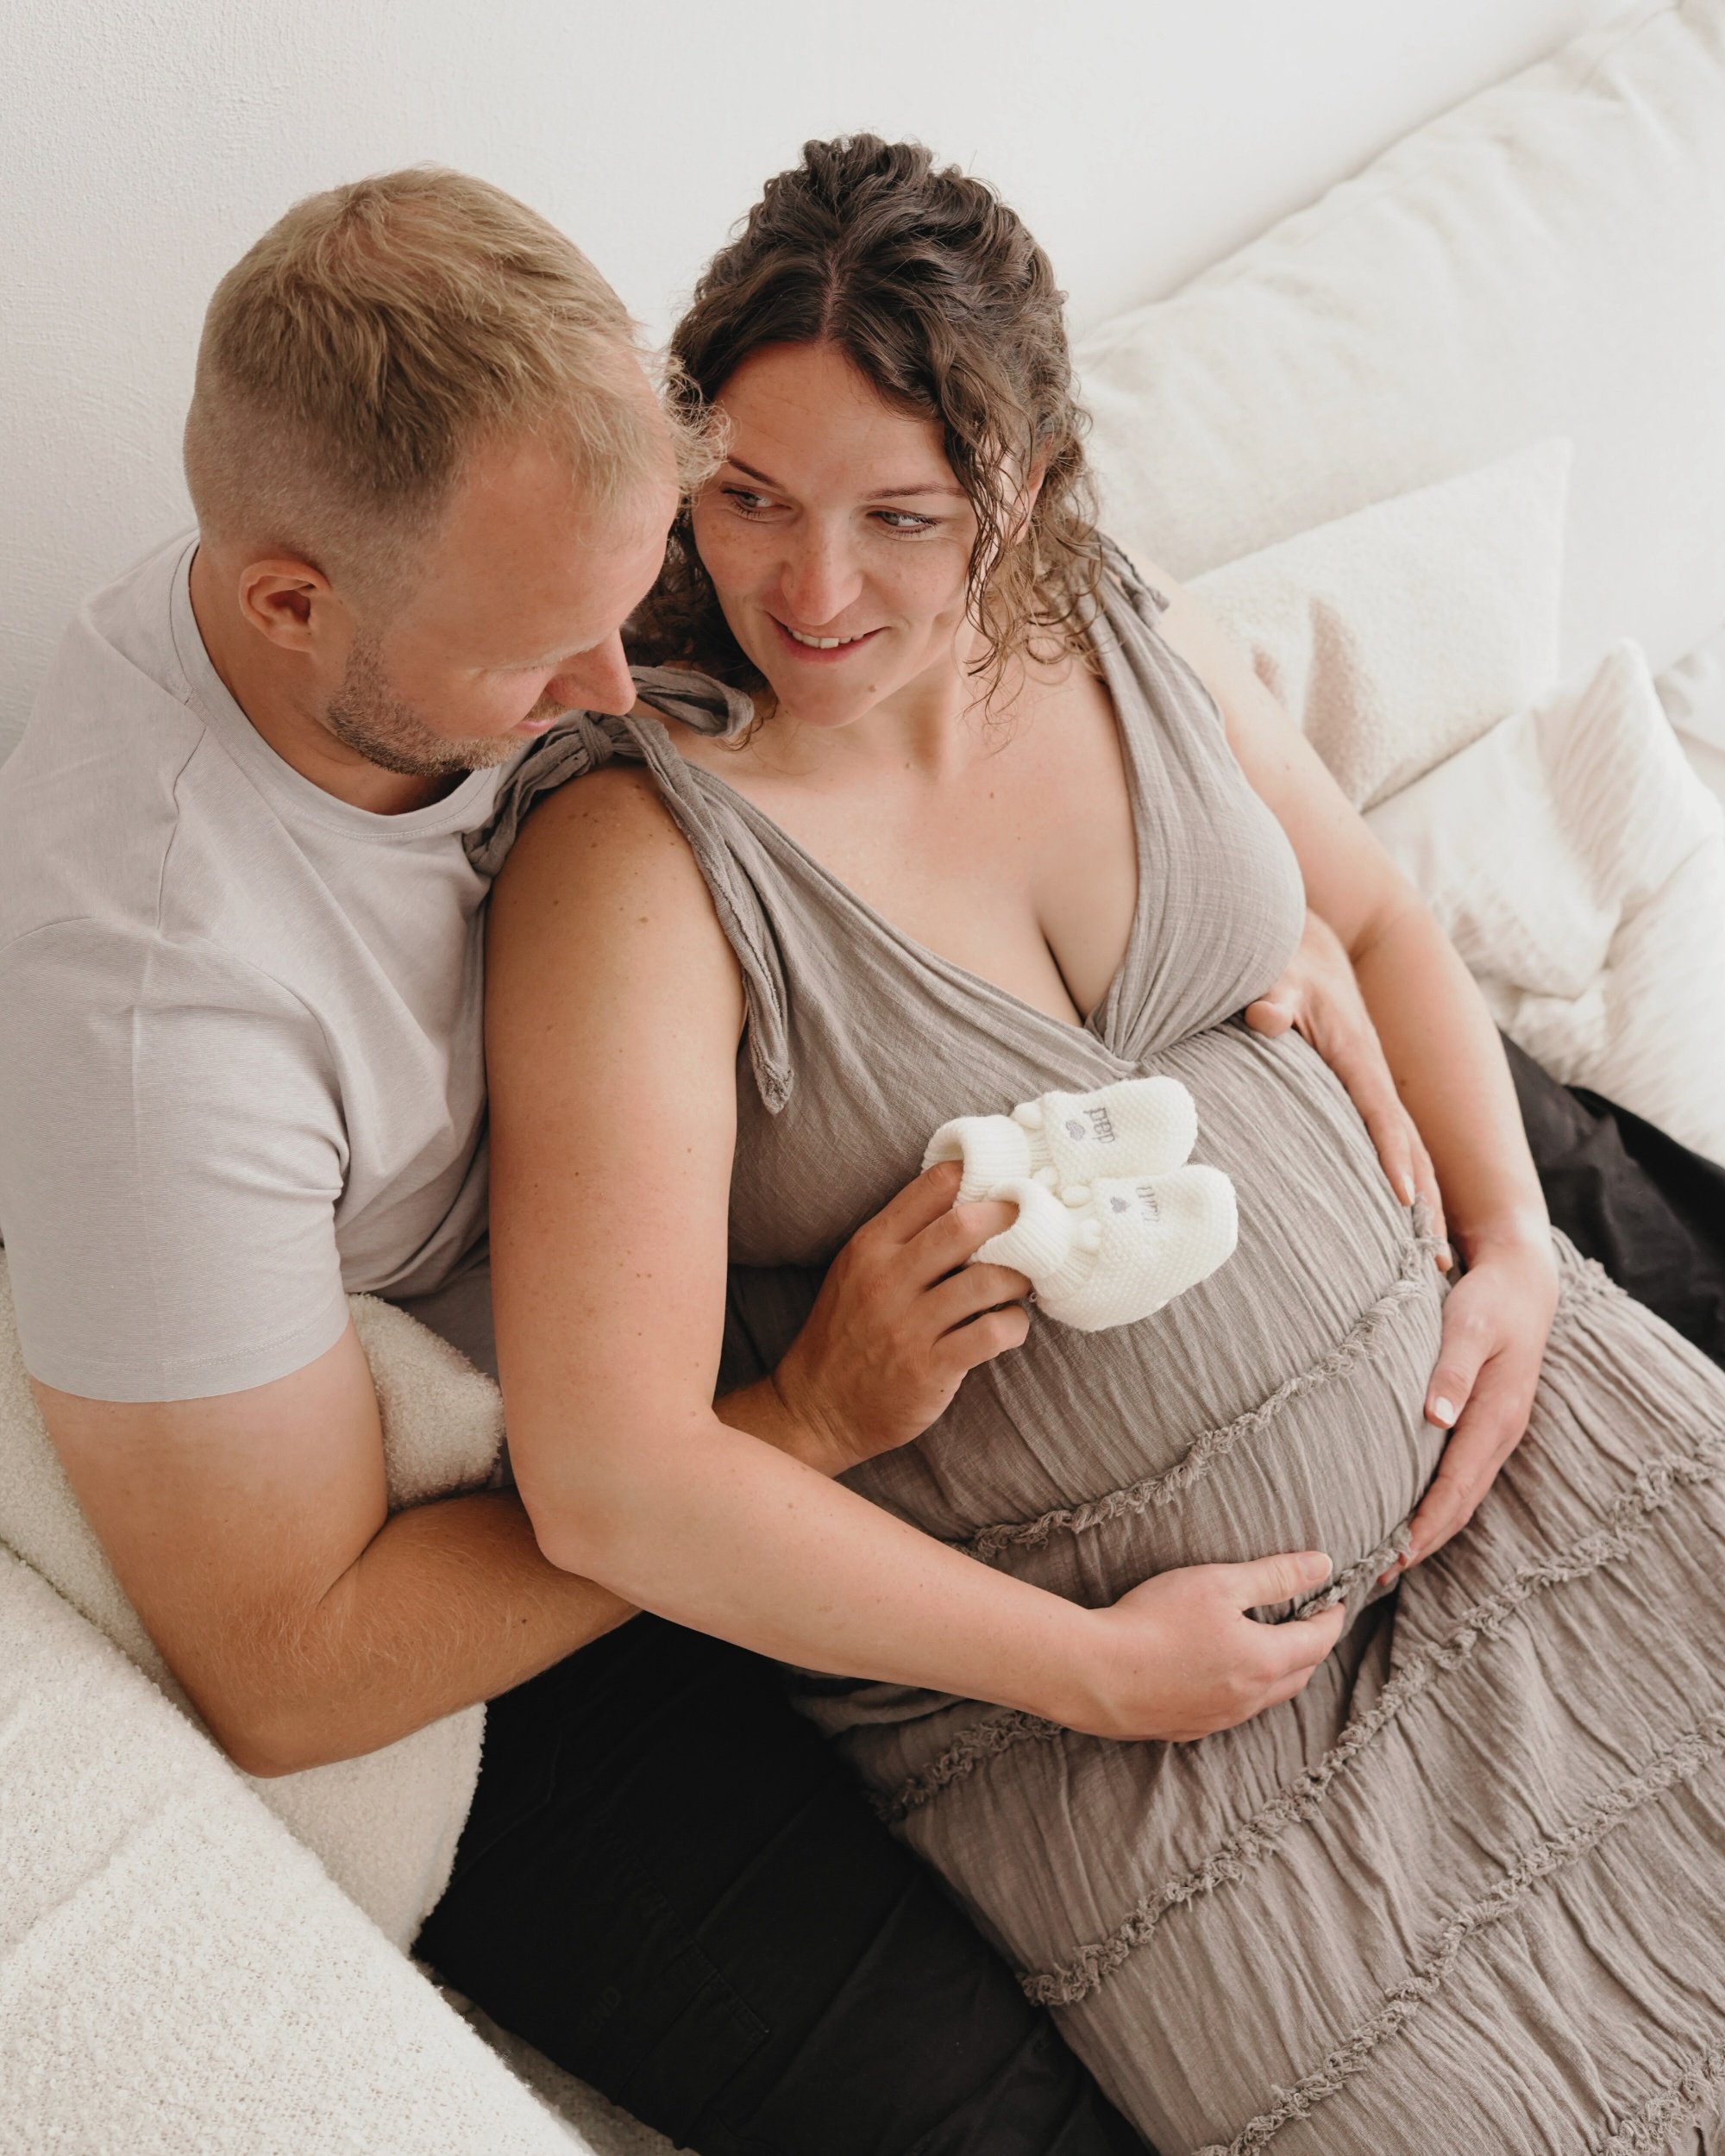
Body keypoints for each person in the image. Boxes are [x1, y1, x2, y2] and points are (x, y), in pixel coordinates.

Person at [0, 166, 1428, 2156]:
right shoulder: (157, 1016)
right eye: (544, 663)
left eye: (640, 581)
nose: (618, 699)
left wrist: (1226, 882)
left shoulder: (483, 548)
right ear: (286, 603)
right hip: (485, 1629)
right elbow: (293, 1669)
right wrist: (808, 1415)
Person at [475, 136, 1725, 2153]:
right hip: (1172, 1750)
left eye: (902, 515)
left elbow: (1387, 917)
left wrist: (1506, 1246)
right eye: (750, 498)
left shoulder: (1117, 625)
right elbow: (613, 1476)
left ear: (1027, 485)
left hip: (1540, 1456)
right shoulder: (638, 857)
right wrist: (1095, 1672)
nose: (808, 587)